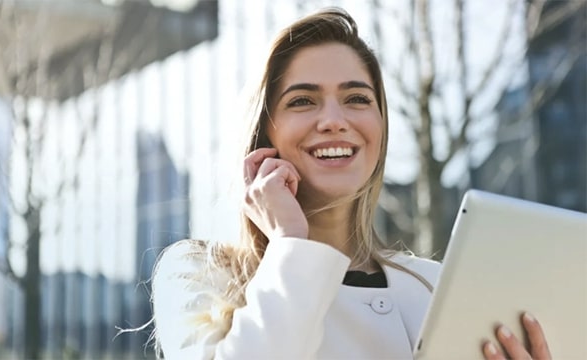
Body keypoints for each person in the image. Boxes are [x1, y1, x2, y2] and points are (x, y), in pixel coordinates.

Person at [151, 7, 551, 360]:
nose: (334, 120)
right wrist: (291, 242)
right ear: (264, 134)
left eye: (357, 99)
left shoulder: (436, 287)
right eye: (303, 101)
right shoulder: (197, 274)